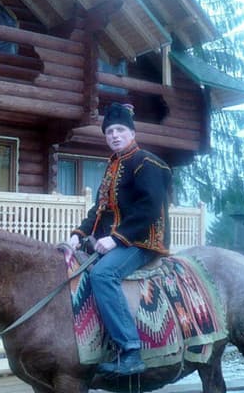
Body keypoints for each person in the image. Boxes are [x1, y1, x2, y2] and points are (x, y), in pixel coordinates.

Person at [69, 102, 172, 376]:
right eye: (109, 132)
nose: (114, 135)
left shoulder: (147, 162)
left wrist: (116, 239)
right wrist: (77, 236)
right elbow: (99, 210)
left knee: (103, 274)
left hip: (144, 241)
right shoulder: (112, 167)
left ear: (132, 133)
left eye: (120, 130)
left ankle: (130, 350)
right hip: (117, 241)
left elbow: (149, 208)